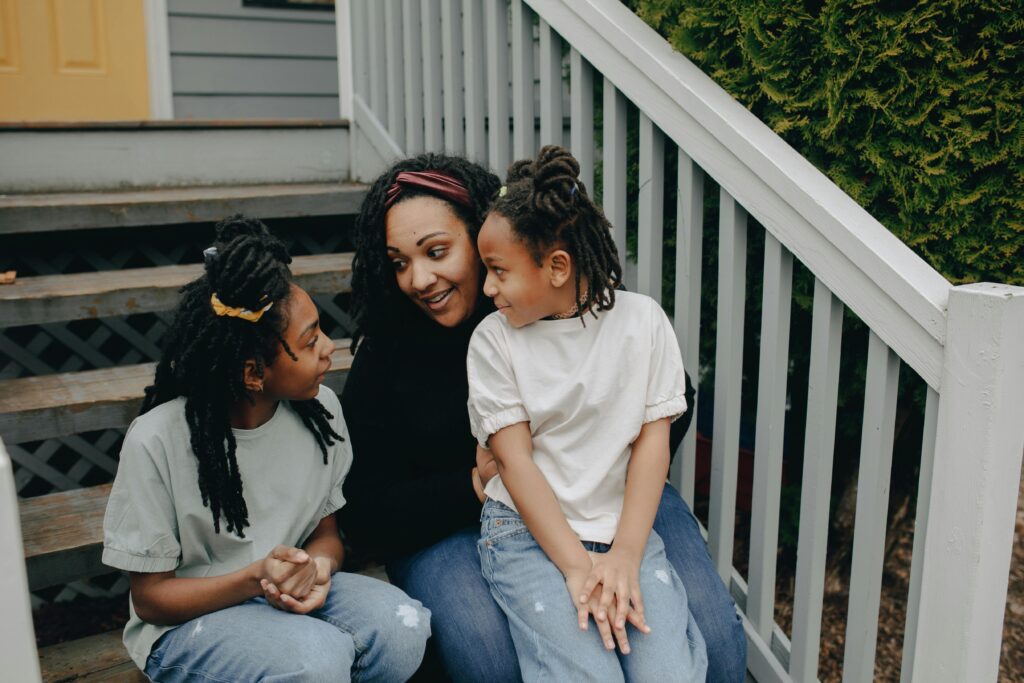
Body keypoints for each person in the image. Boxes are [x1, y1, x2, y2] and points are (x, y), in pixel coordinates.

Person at [338, 154, 747, 682]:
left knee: (713, 642)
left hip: (612, 488)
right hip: (460, 523)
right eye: (398, 262)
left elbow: (669, 406)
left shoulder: (553, 300)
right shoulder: (398, 350)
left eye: (437, 252)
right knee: (494, 658)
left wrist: (599, 457)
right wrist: (475, 483)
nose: (419, 279)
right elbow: (366, 505)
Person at [102, 215, 430, 682]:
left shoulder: (322, 413)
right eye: (310, 339)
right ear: (254, 373)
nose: (329, 348)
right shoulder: (157, 439)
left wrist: (315, 569)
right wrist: (257, 577)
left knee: (404, 626)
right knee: (316, 659)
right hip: (189, 623)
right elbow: (151, 599)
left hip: (280, 599)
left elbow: (327, 534)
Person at [466, 145, 707, 681]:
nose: (486, 288)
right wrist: (577, 567)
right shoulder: (493, 342)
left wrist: (624, 554)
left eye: (498, 271)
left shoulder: (643, 323)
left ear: (556, 267)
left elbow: (652, 447)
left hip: (624, 529)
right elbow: (514, 463)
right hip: (527, 536)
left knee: (667, 673)